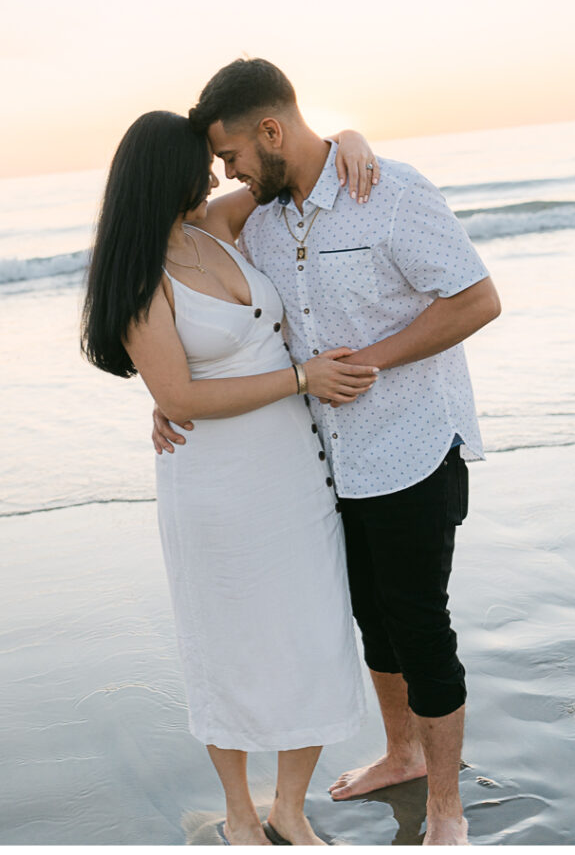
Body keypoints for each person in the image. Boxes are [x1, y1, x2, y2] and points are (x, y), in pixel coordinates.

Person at [152, 59, 502, 846]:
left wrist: (372, 359)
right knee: (369, 621)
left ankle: (445, 810)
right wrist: (165, 389)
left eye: (232, 156)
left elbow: (477, 298)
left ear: (269, 132)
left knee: (419, 626)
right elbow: (187, 289)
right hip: (325, 461)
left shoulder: (392, 191)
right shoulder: (263, 220)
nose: (226, 173)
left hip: (411, 445)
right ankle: (400, 753)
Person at [81, 110, 382, 846]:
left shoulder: (213, 225)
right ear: (164, 176)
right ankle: (241, 817)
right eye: (202, 165)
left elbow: (294, 167)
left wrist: (348, 138)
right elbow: (179, 398)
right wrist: (299, 378)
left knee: (310, 634)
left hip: (293, 472)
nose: (218, 175)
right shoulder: (138, 275)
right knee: (230, 647)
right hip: (217, 489)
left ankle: (289, 807)